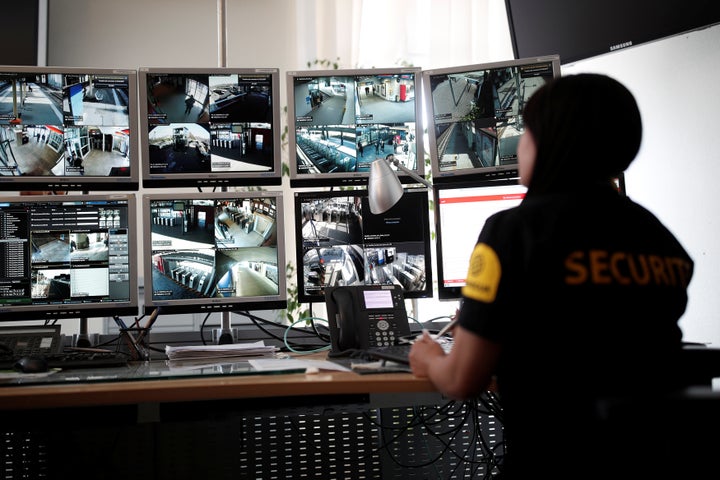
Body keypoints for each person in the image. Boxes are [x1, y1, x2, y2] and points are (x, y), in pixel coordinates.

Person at [409, 74, 694, 479]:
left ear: (549, 142)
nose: (519, 143)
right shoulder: (662, 240)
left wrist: (430, 359)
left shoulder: (510, 233)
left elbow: (463, 380)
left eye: (525, 130)